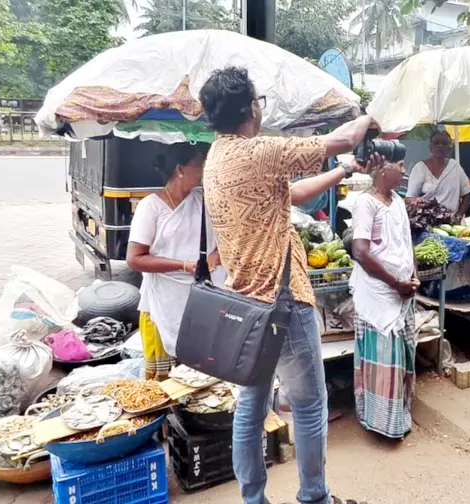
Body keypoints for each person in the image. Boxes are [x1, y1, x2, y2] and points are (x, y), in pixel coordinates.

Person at [199, 66, 379, 504]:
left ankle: (253, 499)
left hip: (245, 301)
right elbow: (340, 139)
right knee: (310, 404)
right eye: (258, 102)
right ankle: (314, 497)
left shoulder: (217, 157)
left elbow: (291, 194)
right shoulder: (258, 151)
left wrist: (343, 172)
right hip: (282, 301)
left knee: (251, 406)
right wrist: (370, 115)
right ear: (248, 110)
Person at [126, 143, 225, 381]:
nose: (203, 169)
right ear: (180, 169)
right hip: (163, 304)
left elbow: (230, 235)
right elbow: (135, 258)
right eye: (199, 164)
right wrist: (183, 266)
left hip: (204, 301)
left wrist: (216, 255)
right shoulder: (151, 207)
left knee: (206, 379)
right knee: (164, 384)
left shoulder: (205, 200)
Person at [350, 160, 419, 440]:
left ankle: (400, 416)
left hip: (403, 294)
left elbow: (406, 242)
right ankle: (380, 423)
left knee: (402, 356)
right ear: (381, 169)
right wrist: (395, 283)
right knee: (381, 358)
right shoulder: (366, 203)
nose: (404, 170)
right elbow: (361, 253)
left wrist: (413, 276)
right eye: (399, 164)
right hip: (379, 295)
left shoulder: (398, 201)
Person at [406, 129, 470, 219]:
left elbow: (467, 194)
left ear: (449, 147)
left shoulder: (455, 167)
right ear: (430, 147)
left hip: (450, 221)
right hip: (426, 221)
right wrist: (417, 201)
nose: (440, 146)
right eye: (436, 143)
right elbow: (409, 198)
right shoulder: (420, 168)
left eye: (444, 143)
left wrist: (459, 215)